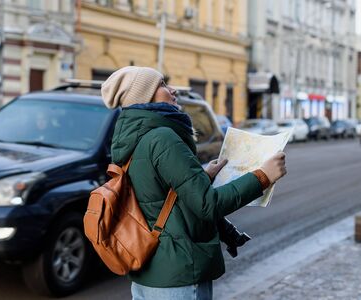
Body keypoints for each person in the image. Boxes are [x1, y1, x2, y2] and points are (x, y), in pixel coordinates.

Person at [101, 66, 287, 300]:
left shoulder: (134, 135)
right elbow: (208, 205)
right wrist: (263, 176)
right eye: (162, 85)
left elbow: (157, 192)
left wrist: (203, 176)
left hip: (149, 274)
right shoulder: (162, 137)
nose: (173, 90)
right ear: (145, 95)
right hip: (178, 275)